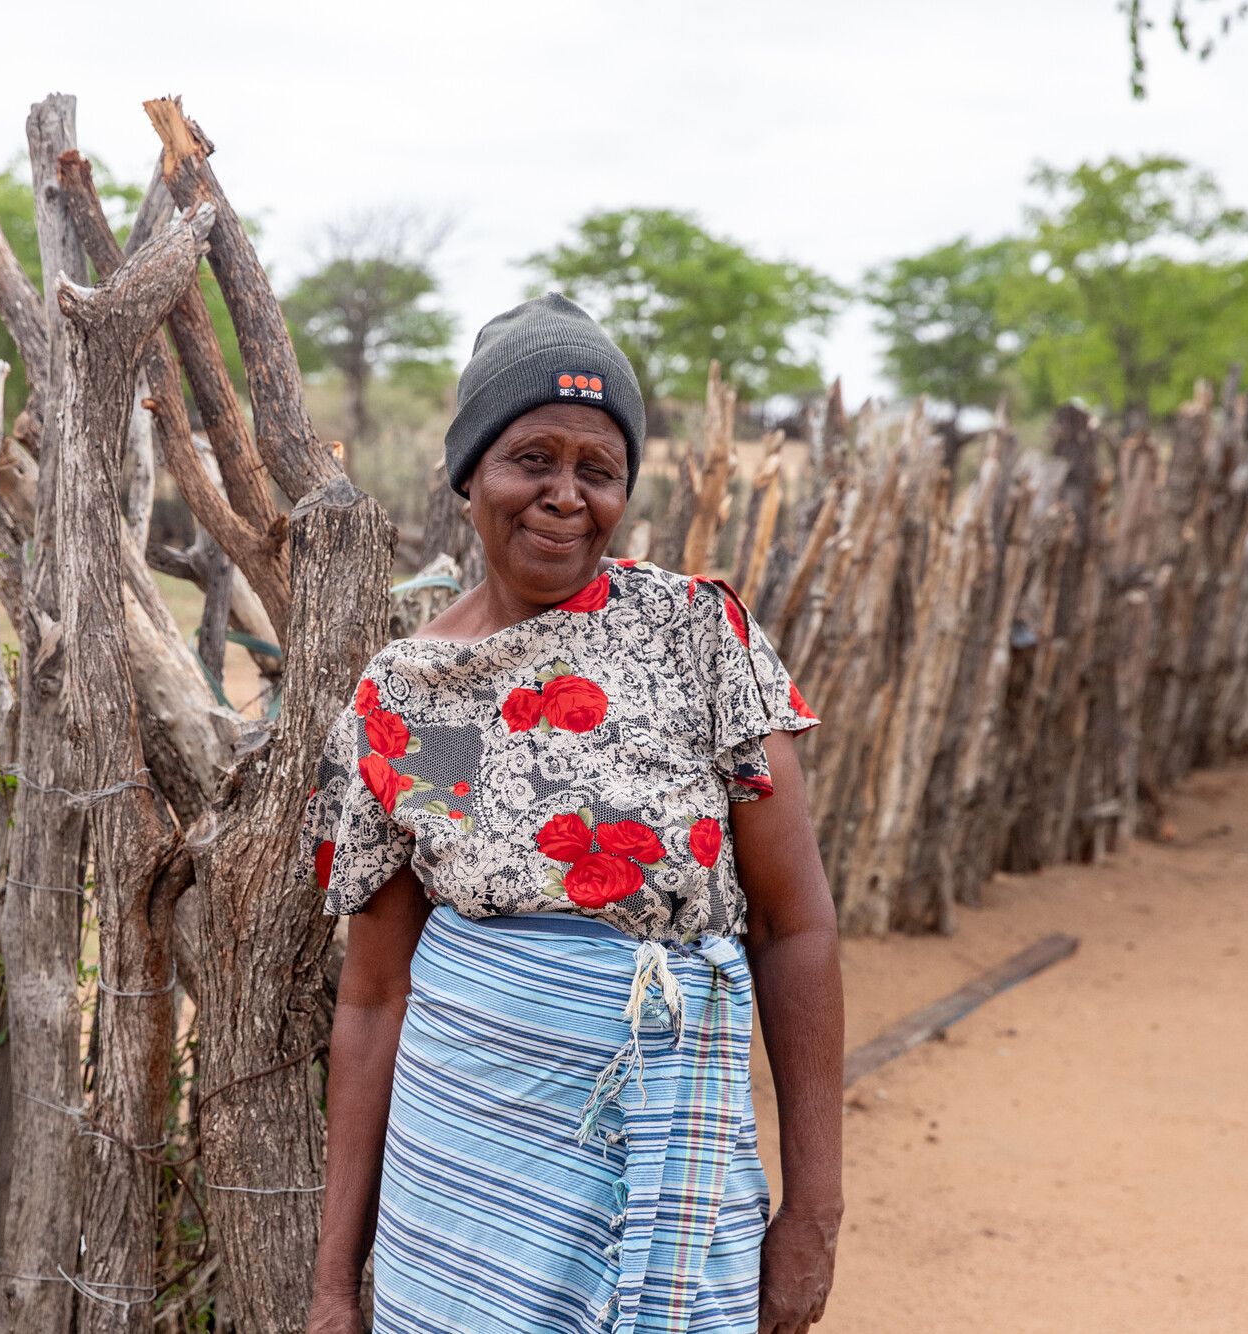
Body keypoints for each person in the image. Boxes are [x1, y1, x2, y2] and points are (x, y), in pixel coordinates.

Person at [303, 295, 843, 1334]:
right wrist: (335, 1283)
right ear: (468, 472)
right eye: (530, 459)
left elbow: (794, 925)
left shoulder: (694, 636)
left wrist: (811, 1211)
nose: (563, 495)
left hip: (674, 1146)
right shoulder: (420, 696)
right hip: (464, 1177)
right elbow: (374, 996)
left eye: (597, 470)